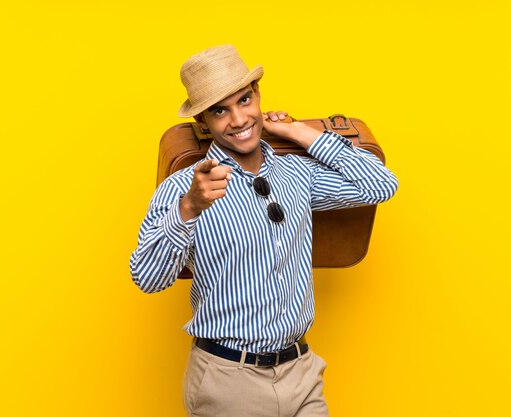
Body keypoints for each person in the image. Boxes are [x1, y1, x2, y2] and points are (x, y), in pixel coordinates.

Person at [129, 44, 398, 417]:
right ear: (203, 122)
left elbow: (380, 184)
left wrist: (299, 132)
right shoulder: (183, 190)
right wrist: (188, 209)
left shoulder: (296, 174)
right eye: (220, 110)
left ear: (258, 95)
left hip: (301, 370)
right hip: (229, 381)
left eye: (244, 100)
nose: (238, 119)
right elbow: (146, 278)